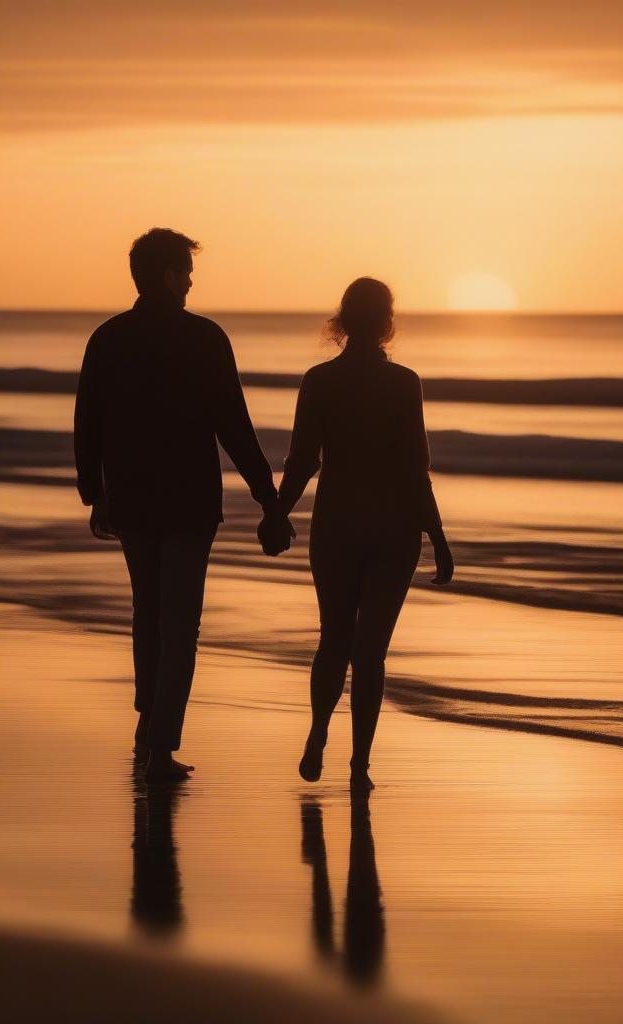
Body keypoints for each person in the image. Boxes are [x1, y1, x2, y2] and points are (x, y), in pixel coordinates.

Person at [74, 228, 294, 782]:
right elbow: (234, 427)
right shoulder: (204, 338)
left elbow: (87, 422)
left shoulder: (108, 338)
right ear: (169, 276)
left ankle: (147, 731)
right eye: (187, 272)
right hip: (189, 502)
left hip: (131, 499)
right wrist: (270, 501)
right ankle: (159, 747)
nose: (192, 281)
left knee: (147, 612)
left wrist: (93, 493)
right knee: (180, 623)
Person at [273, 277, 453, 794]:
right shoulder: (403, 383)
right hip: (393, 529)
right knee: (370, 651)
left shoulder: (319, 381)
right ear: (386, 322)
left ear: (343, 320)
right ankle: (359, 767)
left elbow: (302, 461)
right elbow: (416, 469)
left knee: (333, 639)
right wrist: (437, 536)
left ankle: (317, 731)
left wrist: (278, 513)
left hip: (337, 525)